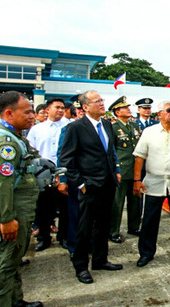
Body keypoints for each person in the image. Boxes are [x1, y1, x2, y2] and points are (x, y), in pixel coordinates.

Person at [58, 90, 123, 284]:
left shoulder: (106, 125)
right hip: (89, 185)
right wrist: (80, 183)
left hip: (107, 184)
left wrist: (115, 171)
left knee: (103, 225)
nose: (102, 104)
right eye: (97, 101)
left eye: (102, 100)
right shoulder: (76, 128)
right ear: (85, 107)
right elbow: (66, 159)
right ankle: (80, 267)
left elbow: (109, 152)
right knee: (83, 228)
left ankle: (100, 260)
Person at [0, 91, 43, 307]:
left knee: (13, 260)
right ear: (9, 113)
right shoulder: (5, 143)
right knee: (6, 263)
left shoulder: (16, 137)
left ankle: (15, 300)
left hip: (18, 211)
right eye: (28, 112)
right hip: (11, 213)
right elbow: (0, 185)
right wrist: (6, 218)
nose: (32, 115)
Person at [133, 100, 170, 267]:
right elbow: (139, 157)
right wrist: (137, 180)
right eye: (169, 110)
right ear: (159, 114)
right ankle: (146, 252)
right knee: (150, 220)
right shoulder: (149, 132)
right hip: (154, 182)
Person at [26, 98, 70, 252]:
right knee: (44, 208)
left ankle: (63, 237)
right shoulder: (37, 129)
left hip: (64, 173)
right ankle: (44, 237)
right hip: (43, 174)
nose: (60, 110)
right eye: (57, 107)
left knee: (65, 208)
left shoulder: (70, 126)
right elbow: (31, 152)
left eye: (62, 108)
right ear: (48, 109)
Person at [108, 96, 142, 243]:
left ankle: (134, 227)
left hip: (135, 170)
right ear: (117, 112)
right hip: (121, 171)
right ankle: (113, 231)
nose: (129, 109)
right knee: (117, 202)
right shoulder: (113, 128)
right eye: (125, 107)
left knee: (135, 200)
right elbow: (111, 151)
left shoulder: (134, 126)